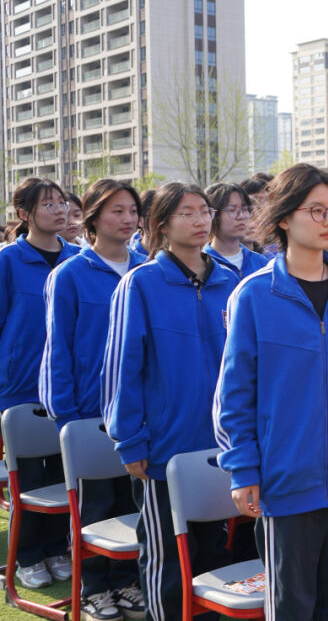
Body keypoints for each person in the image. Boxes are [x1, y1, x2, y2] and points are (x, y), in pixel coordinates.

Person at [215, 164, 328, 618]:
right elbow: (235, 394)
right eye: (315, 210)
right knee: (293, 605)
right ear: (283, 218)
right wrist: (243, 469)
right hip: (287, 479)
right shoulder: (254, 295)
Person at [102, 182, 238, 621]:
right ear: (160, 224)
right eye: (188, 213)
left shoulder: (230, 283)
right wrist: (131, 441)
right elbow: (122, 371)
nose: (201, 221)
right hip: (165, 447)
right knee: (167, 558)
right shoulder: (140, 285)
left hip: (221, 446)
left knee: (217, 553)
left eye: (205, 211)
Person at [40, 179, 148, 618]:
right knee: (95, 506)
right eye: (116, 211)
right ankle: (93, 588)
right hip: (87, 413)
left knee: (130, 505)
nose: (126, 220)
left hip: (136, 413)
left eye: (131, 211)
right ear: (93, 217)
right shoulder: (70, 274)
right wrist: (67, 415)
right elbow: (58, 349)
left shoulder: (146, 269)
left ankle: (125, 582)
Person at [1, 178, 80, 590]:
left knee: (66, 474)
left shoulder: (77, 260)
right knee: (29, 477)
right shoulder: (8, 261)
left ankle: (56, 548)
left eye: (61, 202)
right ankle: (29, 556)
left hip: (68, 386)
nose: (59, 210)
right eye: (47, 204)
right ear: (24, 214)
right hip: (21, 386)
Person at [203, 183, 270, 278]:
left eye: (245, 209)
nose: (241, 216)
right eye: (232, 210)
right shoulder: (202, 265)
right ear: (213, 215)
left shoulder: (261, 263)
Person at [128, 188, 156, 256]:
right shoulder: (132, 259)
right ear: (140, 220)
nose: (162, 221)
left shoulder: (175, 255)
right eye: (155, 215)